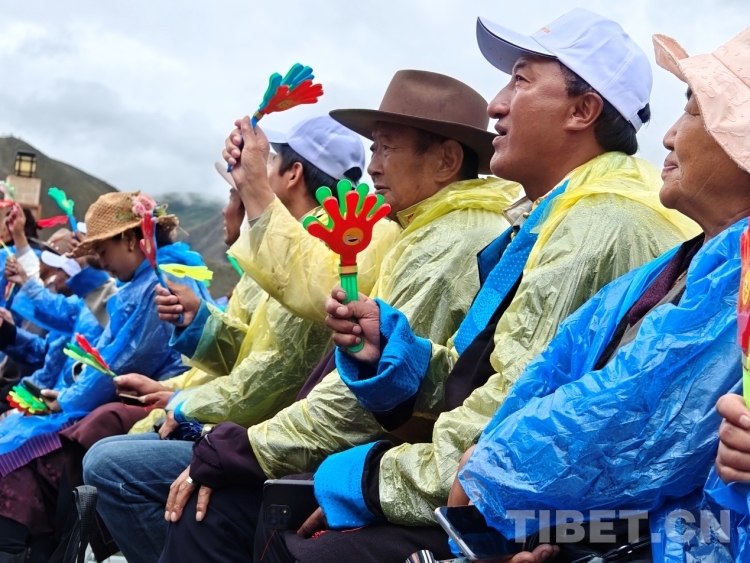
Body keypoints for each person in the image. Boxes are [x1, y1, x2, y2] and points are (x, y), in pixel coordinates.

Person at [160, 10, 696, 559]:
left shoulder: (597, 223)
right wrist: (397, 358)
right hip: (500, 489)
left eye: (520, 80)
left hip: (540, 515)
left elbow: (502, 420)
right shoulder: (551, 214)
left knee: (248, 524)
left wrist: (358, 477)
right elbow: (481, 373)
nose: (497, 105)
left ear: (583, 111)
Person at [439, 27, 750, 563]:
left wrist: (491, 470)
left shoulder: (609, 223)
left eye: (694, 110)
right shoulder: (687, 260)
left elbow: (639, 423)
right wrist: (561, 535)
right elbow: (551, 376)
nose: (669, 136)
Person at [0, 191, 211, 562]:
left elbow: (119, 363)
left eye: (102, 251)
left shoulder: (158, 284)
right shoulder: (143, 284)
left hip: (147, 406)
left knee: (18, 458)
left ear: (129, 239)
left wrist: (65, 400)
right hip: (118, 398)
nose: (102, 262)